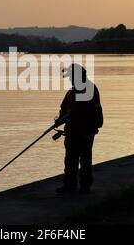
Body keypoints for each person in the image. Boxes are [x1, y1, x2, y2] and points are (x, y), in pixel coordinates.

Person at [55, 63, 103, 195]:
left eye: (71, 76)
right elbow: (64, 109)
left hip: (85, 132)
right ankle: (69, 186)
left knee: (85, 160)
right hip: (71, 131)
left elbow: (78, 110)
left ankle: (84, 187)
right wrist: (59, 120)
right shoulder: (71, 92)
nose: (69, 79)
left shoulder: (89, 89)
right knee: (70, 160)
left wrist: (67, 116)